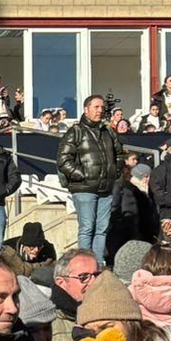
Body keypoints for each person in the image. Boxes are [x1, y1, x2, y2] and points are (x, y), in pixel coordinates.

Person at [56, 94, 125, 262]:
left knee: (102, 229)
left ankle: (98, 264)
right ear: (86, 109)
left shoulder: (107, 131)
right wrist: (83, 175)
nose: (100, 110)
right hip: (84, 188)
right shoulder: (76, 131)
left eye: (102, 107)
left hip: (105, 189)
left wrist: (114, 172)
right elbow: (63, 160)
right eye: (96, 107)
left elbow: (119, 154)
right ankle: (84, 264)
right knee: (87, 228)